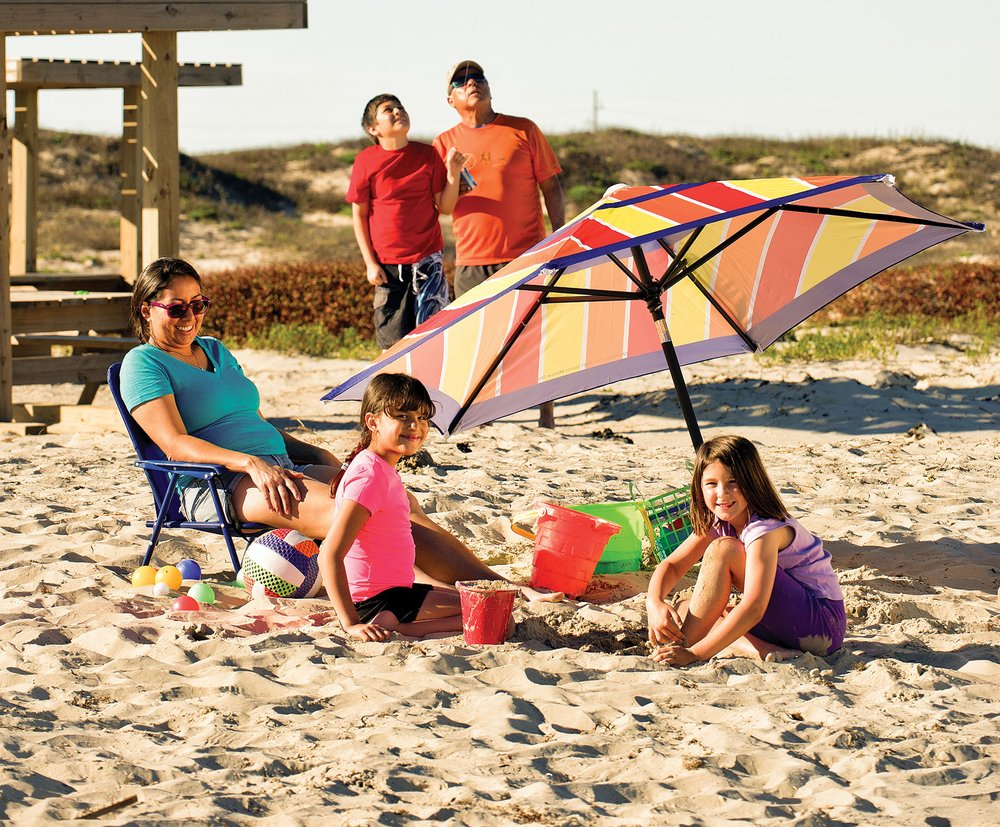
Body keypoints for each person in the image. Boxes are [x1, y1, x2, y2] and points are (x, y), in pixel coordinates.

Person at [119, 257, 558, 618]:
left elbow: (251, 421)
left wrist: (315, 452)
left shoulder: (214, 349)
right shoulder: (143, 364)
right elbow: (175, 443)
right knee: (362, 516)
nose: (190, 317)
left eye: (199, 305)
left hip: (278, 466)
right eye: (176, 308)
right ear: (147, 309)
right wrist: (249, 463)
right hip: (217, 483)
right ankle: (447, 595)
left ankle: (502, 588)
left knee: (400, 504)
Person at [433, 60, 565, 429]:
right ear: (451, 99)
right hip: (473, 256)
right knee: (476, 340)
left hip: (527, 251)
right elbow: (443, 206)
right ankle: (482, 413)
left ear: (489, 87)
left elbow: (551, 186)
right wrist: (453, 172)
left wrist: (561, 236)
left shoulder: (523, 129)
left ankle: (547, 414)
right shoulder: (443, 143)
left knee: (535, 333)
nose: (471, 82)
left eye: (478, 77)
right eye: (461, 80)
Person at [646, 435, 846, 665]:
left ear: (752, 482)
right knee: (685, 607)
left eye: (733, 482)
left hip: (821, 626)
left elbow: (754, 607)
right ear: (699, 487)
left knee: (724, 550)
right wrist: (654, 602)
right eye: (711, 484)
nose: (722, 493)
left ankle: (685, 648)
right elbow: (672, 565)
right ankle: (761, 649)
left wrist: (695, 654)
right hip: (790, 624)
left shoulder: (764, 529)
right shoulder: (720, 521)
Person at [321, 374, 467, 641]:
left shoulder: (380, 468)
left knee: (477, 601)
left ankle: (397, 623)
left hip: (396, 592)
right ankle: (397, 629)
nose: (415, 426)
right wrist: (351, 623)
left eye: (422, 417)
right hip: (377, 602)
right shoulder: (370, 477)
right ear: (372, 422)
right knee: (494, 618)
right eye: (402, 416)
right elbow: (329, 554)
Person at [347, 94, 466, 350]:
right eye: (388, 110)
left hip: (427, 261)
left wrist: (453, 174)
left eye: (400, 107)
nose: (398, 111)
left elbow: (444, 206)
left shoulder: (428, 154)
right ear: (373, 128)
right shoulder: (366, 161)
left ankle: (428, 390)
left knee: (432, 340)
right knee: (393, 344)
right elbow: (359, 215)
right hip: (387, 266)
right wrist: (370, 263)